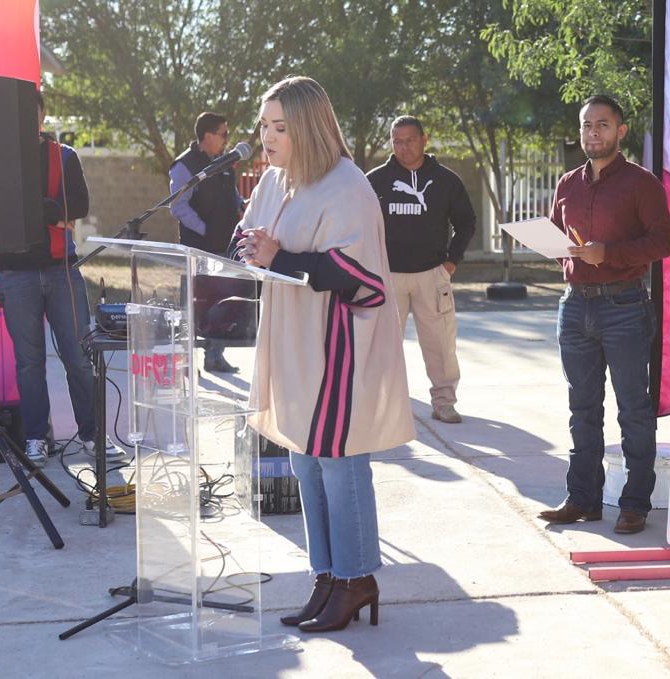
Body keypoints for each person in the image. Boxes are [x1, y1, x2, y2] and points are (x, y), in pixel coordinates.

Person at [234, 76, 415, 633]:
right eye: (264, 125)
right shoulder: (275, 180)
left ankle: (357, 578)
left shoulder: (347, 186)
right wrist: (244, 247)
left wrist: (279, 256)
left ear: (308, 127)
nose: (268, 136)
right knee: (302, 456)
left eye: (280, 127)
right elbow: (249, 237)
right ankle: (327, 575)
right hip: (291, 337)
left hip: (337, 341)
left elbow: (359, 276)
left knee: (338, 457)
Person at [537, 95, 670, 535]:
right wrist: (563, 254)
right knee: (582, 408)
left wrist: (607, 254)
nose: (592, 133)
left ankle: (635, 503)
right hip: (574, 305)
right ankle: (583, 499)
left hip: (626, 306)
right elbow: (560, 238)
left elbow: (663, 242)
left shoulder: (642, 183)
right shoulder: (568, 184)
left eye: (602, 125)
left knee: (633, 408)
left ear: (621, 131)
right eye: (586, 125)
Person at [0, 90, 96, 467]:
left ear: (41, 116)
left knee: (79, 357)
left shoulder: (64, 156)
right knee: (29, 362)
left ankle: (92, 435)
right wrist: (50, 211)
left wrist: (44, 210)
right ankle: (36, 437)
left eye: (30, 114)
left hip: (60, 270)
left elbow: (80, 207)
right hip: (13, 272)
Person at [366, 116, 476, 423]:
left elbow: (466, 222)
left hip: (432, 274)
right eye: (397, 141)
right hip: (388, 276)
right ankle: (384, 407)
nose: (404, 147)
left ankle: (444, 401)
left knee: (440, 344)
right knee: (383, 346)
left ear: (424, 140)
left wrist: (451, 261)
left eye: (410, 140)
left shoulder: (446, 180)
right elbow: (359, 223)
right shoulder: (374, 180)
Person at [169, 112, 244, 373]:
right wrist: (206, 231)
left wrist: (241, 207)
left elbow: (231, 195)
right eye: (224, 134)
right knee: (193, 304)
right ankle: (185, 362)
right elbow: (178, 207)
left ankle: (214, 356)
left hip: (224, 247)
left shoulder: (223, 163)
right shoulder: (185, 166)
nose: (227, 140)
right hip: (197, 249)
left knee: (220, 303)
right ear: (208, 135)